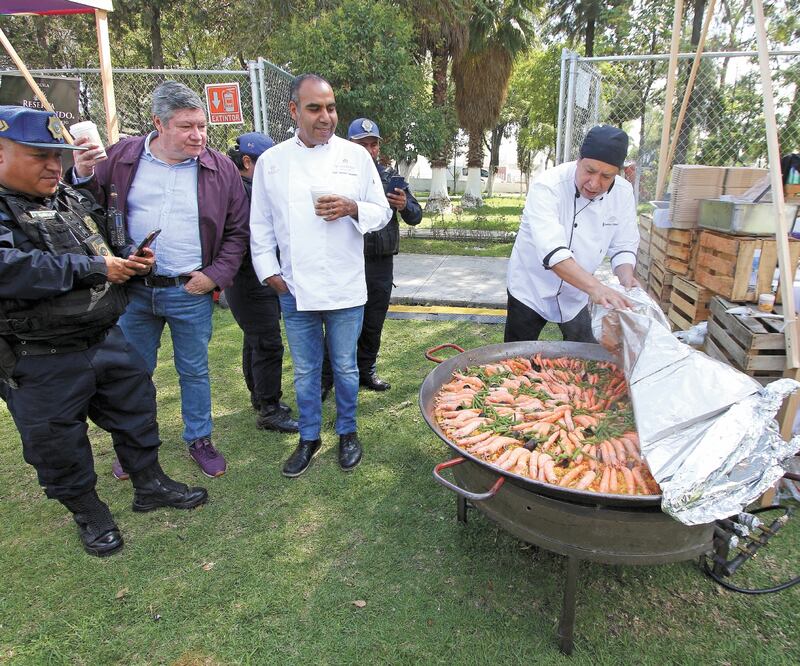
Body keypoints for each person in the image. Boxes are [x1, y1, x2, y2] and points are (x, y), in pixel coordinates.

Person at [0, 106, 208, 557]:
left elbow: (104, 246)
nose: (55, 165)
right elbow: (10, 268)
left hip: (104, 336)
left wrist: (129, 260)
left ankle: (149, 483)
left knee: (136, 411)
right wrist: (96, 268)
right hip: (40, 355)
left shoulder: (67, 200)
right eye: (40, 155)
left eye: (58, 155)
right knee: (58, 442)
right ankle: (89, 513)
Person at [71, 81, 250, 479]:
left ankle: (199, 439)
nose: (198, 135)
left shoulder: (219, 168)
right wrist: (81, 172)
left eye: (201, 126)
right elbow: (84, 205)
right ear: (158, 123)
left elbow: (239, 232)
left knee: (195, 371)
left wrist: (214, 275)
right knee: (132, 372)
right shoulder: (121, 157)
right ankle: (134, 444)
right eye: (186, 127)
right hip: (132, 290)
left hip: (189, 290)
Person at [249, 74, 391, 477]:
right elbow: (259, 226)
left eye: (330, 107)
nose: (325, 116)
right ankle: (309, 437)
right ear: (294, 110)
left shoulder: (356, 156)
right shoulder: (273, 163)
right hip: (295, 288)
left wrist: (352, 207)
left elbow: (381, 212)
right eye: (315, 108)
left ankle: (347, 431)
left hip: (346, 285)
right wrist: (270, 273)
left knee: (345, 368)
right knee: (308, 369)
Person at [504, 124, 640, 343]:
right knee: (517, 356)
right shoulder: (548, 186)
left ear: (618, 173)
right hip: (531, 287)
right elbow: (553, 253)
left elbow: (624, 245)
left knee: (585, 356)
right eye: (590, 171)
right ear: (578, 161)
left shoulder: (623, 193)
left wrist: (627, 278)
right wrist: (596, 287)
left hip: (576, 292)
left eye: (606, 176)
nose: (595, 183)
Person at [320, 118, 422, 399]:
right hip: (349, 259)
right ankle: (324, 380)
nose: (369, 149)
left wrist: (405, 205)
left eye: (373, 144)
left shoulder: (390, 176)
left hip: (381, 262)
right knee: (340, 322)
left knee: (373, 322)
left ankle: (366, 371)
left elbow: (416, 215)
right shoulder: (338, 175)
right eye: (362, 144)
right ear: (349, 145)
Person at [224, 132, 298, 433]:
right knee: (267, 343)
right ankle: (269, 410)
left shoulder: (243, 187)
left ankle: (260, 397)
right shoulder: (244, 192)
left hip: (248, 278)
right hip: (250, 278)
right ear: (247, 161)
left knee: (254, 339)